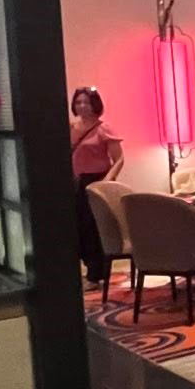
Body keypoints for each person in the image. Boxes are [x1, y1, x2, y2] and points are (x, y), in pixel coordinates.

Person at [69, 86, 123, 286]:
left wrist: (107, 181)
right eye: (78, 102)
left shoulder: (103, 129)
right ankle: (87, 269)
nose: (82, 106)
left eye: (86, 102)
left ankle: (96, 273)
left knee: (94, 228)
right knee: (79, 228)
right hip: (76, 182)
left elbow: (119, 159)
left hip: (97, 181)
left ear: (95, 104)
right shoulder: (71, 128)